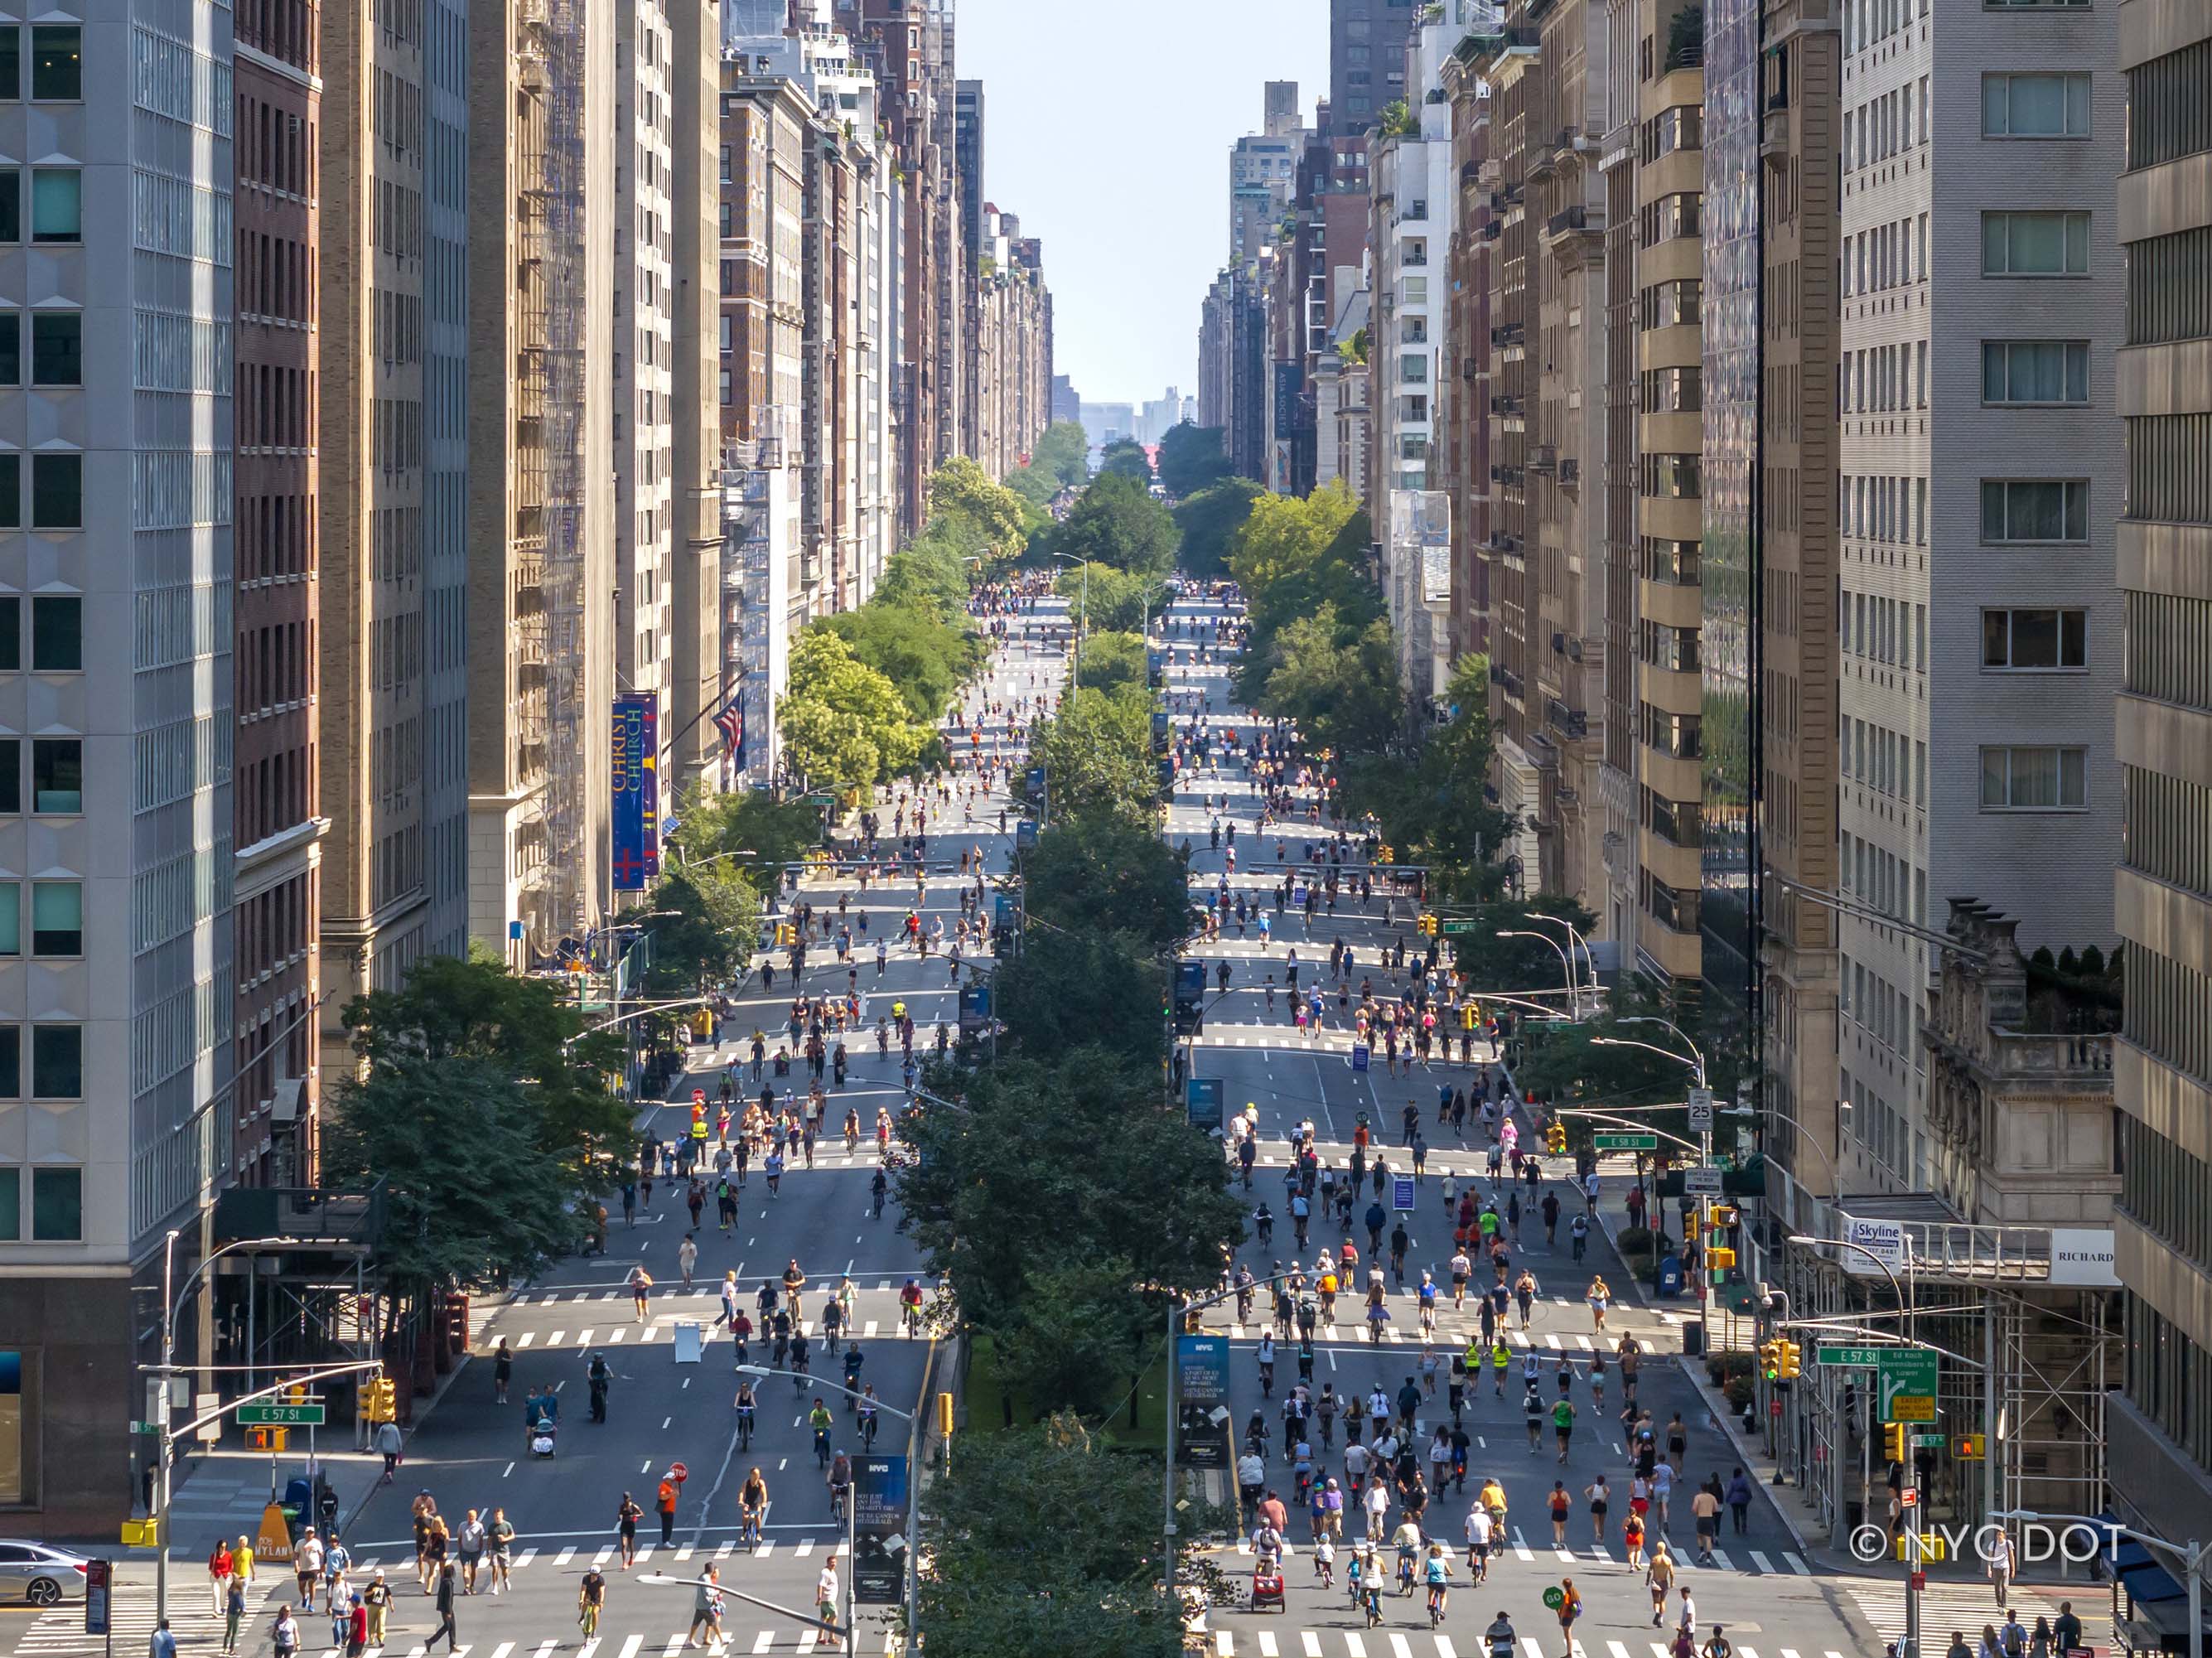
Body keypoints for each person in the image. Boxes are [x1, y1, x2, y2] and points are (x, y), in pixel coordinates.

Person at [687, 1564, 725, 1653]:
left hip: (699, 1604)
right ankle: (721, 1640)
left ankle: (691, 1640)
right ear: (712, 1571)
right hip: (706, 1606)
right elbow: (708, 1593)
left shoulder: (701, 1576)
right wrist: (718, 1592)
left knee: (696, 1622)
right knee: (714, 1622)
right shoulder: (706, 1579)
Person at [423, 1564, 458, 1654]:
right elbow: (448, 1597)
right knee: (448, 1626)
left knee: (452, 1626)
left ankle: (453, 1645)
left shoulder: (444, 1581)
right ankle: (430, 1641)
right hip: (446, 1608)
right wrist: (449, 1611)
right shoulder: (448, 1583)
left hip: (445, 1607)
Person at [815, 1561, 843, 1651]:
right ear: (827, 1563)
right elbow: (820, 1585)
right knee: (834, 1615)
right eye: (832, 1563)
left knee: (824, 1618)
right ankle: (831, 1637)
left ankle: (820, 1638)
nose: (834, 1564)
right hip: (827, 1599)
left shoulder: (832, 1572)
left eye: (835, 1563)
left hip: (830, 1599)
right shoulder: (825, 1572)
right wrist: (819, 1598)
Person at [360, 1573, 389, 1651]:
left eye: (381, 1577)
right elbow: (365, 1594)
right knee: (371, 1623)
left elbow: (388, 1595)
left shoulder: (385, 1586)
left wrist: (391, 1604)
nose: (379, 1578)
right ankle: (371, 1638)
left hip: (382, 1607)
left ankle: (381, 1640)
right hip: (372, 1606)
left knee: (381, 1623)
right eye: (378, 1577)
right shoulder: (372, 1585)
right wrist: (372, 1592)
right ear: (375, 1577)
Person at [1555, 1577, 1583, 1656]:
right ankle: (1569, 1653)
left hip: (1566, 1616)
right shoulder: (1574, 1592)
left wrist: (1561, 1618)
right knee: (1569, 1634)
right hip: (1571, 1616)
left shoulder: (1567, 1595)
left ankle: (1569, 1654)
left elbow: (1564, 1608)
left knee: (1567, 1636)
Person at [577, 1565, 606, 1637]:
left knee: (594, 1612)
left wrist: (601, 1602)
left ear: (598, 1574)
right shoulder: (586, 1578)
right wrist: (581, 1599)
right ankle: (582, 1615)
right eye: (592, 1574)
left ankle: (594, 1630)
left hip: (596, 1596)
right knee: (586, 1601)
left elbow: (602, 1592)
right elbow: (583, 1590)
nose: (593, 1576)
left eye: (595, 1575)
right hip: (589, 1594)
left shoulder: (601, 1580)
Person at [616, 1492, 642, 1569]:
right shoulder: (622, 1506)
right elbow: (620, 1514)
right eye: (625, 1498)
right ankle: (624, 1563)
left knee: (630, 1543)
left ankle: (631, 1558)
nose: (626, 1500)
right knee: (624, 1544)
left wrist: (635, 1515)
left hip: (631, 1526)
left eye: (627, 1498)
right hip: (624, 1526)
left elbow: (642, 1514)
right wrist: (619, 1517)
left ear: (630, 1498)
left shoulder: (634, 1506)